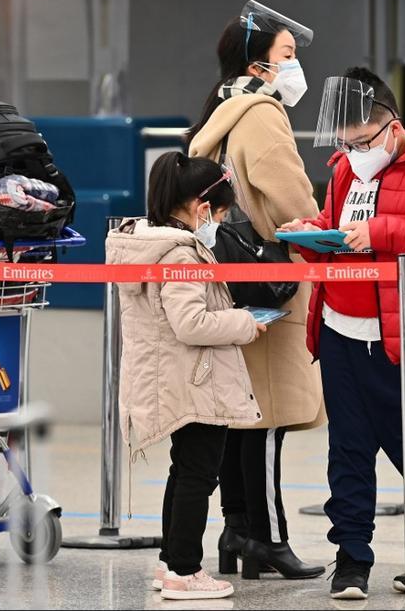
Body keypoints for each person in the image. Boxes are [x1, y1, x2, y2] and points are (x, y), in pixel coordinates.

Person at [280, 67, 405, 599]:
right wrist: (310, 236)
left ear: (391, 125)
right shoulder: (346, 169)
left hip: (404, 334)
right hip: (341, 330)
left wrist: (378, 233)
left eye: (363, 140)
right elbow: (338, 230)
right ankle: (351, 559)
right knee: (347, 449)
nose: (353, 150)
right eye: (346, 142)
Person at [187, 0, 325, 580]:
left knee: (242, 416)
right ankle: (268, 538)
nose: (295, 67)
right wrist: (322, 226)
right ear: (259, 64)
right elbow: (292, 197)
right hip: (270, 277)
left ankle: (236, 532)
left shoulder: (217, 111)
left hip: (229, 278)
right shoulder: (262, 114)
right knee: (268, 417)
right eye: (287, 55)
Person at [105, 152, 265, 601]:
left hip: (171, 376)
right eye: (220, 213)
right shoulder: (182, 253)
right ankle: (185, 570)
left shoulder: (147, 244)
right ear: (201, 208)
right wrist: (245, 323)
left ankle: (170, 563)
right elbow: (190, 323)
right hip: (194, 379)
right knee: (198, 475)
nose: (220, 222)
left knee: (185, 472)